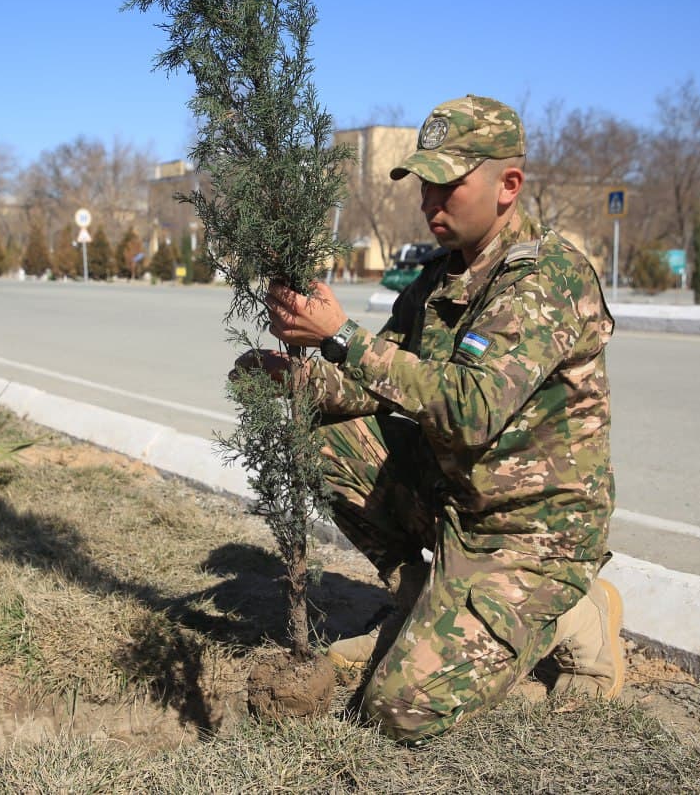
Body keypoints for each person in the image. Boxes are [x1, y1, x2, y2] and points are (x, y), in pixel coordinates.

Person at [239, 94, 622, 743]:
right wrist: (302, 375)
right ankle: (424, 598)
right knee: (321, 429)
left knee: (396, 709)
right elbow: (381, 384)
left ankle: (575, 613)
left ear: (509, 185)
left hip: (531, 537)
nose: (429, 200)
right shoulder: (438, 278)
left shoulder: (546, 277)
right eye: (425, 183)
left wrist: (343, 337)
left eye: (449, 183)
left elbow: (471, 409)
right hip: (456, 506)